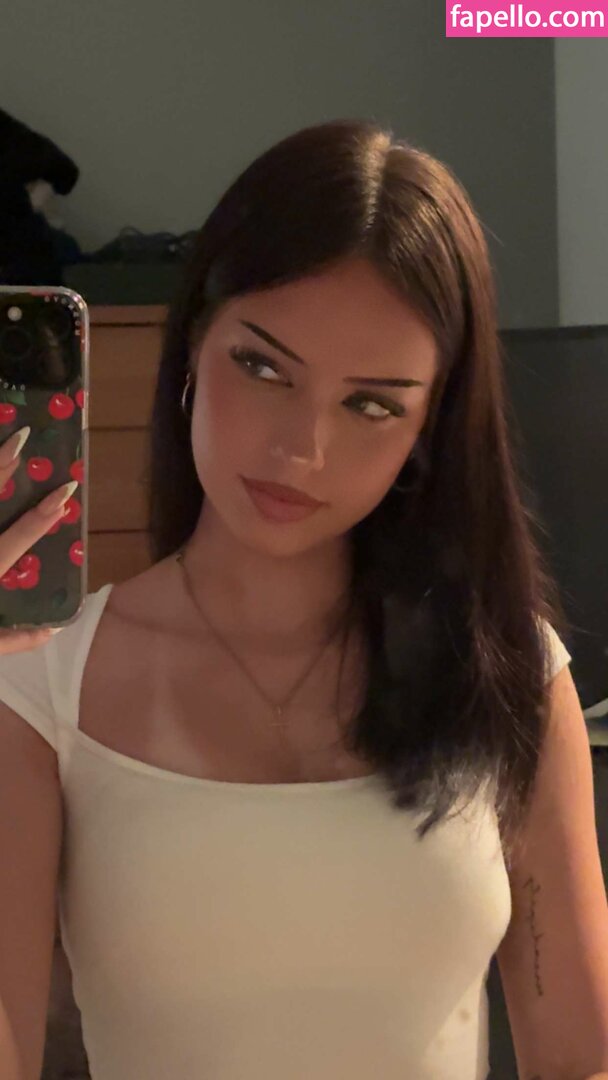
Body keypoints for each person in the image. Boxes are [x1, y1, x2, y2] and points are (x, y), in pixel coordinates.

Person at [0, 118, 602, 1080]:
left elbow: (579, 1059)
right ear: (193, 345)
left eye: (371, 404)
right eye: (263, 367)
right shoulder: (41, 683)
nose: (301, 450)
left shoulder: (511, 675)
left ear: (428, 429)